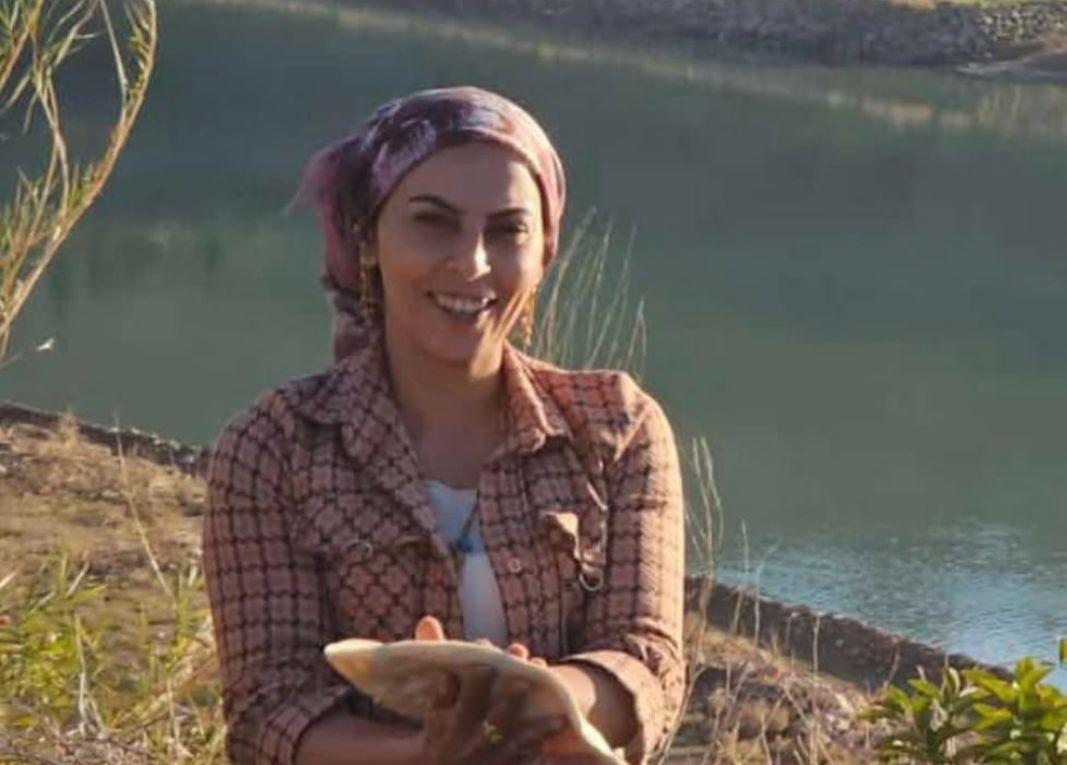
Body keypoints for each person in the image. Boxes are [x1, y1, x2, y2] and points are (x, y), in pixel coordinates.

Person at [202, 86, 685, 765]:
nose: (473, 262)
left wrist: (541, 702)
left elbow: (646, 658)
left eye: (507, 231)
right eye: (433, 222)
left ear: (544, 254)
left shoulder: (617, 429)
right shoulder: (275, 447)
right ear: (368, 238)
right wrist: (422, 755)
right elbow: (267, 713)